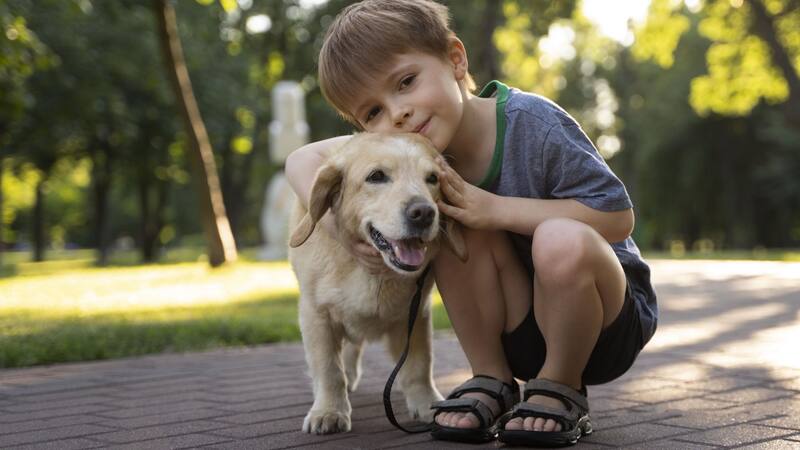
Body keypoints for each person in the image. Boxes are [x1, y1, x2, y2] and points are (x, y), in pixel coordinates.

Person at [285, 0, 657, 446]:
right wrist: (337, 231)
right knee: (450, 222)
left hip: (604, 324)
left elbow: (617, 217)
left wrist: (496, 209)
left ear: (456, 59)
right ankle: (492, 378)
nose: (396, 114)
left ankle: (561, 387)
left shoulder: (533, 123)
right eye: (372, 113)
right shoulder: (411, 151)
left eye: (406, 82)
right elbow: (302, 158)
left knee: (557, 238)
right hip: (519, 329)